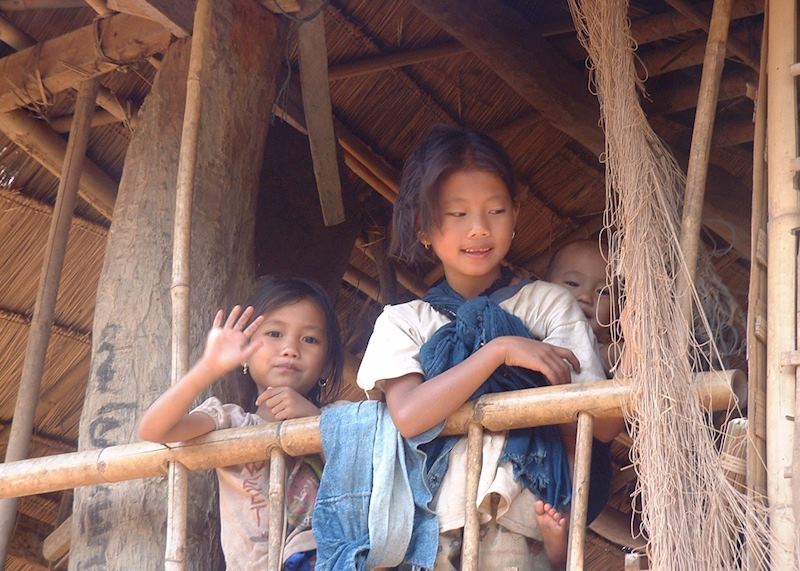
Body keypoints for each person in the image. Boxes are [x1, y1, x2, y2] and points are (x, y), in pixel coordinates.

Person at [355, 125, 623, 569]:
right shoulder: (403, 322)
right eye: (457, 214)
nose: (478, 229)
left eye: (495, 211)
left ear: (516, 215)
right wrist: (498, 352)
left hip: (520, 525)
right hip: (425, 534)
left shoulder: (547, 304)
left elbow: (592, 423)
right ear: (423, 226)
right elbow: (409, 415)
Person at [138, 275, 344, 571]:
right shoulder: (231, 421)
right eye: (274, 334)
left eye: (310, 339)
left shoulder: (341, 418)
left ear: (326, 363)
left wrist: (312, 420)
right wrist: (209, 367)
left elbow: (363, 476)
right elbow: (154, 429)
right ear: (245, 353)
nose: (290, 349)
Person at [545, 240, 616, 374]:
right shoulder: (529, 333)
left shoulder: (611, 354)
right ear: (545, 288)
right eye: (572, 283)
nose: (585, 297)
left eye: (602, 292)